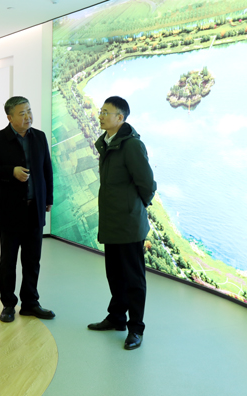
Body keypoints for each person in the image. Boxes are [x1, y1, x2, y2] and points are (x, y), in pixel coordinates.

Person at [88, 96, 156, 350]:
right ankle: (116, 317)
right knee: (115, 274)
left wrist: (135, 208)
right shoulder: (107, 143)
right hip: (111, 221)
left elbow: (147, 184)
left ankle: (135, 328)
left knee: (133, 279)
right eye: (101, 111)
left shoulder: (131, 146)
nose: (101, 115)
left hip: (128, 223)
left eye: (106, 112)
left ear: (120, 117)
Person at [0, 96, 54, 323]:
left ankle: (30, 303)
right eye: (22, 113)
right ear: (10, 117)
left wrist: (48, 198)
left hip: (35, 209)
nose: (28, 116)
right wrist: (10, 171)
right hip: (10, 210)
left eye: (29, 111)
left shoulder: (39, 137)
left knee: (32, 260)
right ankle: (8, 304)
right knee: (8, 261)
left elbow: (47, 170)